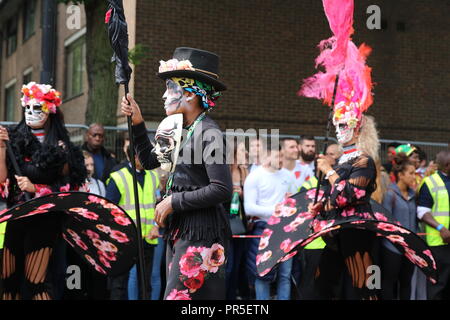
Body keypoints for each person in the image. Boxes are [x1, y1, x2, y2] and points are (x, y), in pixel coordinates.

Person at [121, 47, 232, 300]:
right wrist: (138, 123)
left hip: (201, 232)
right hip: (181, 229)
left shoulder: (209, 132)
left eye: (170, 88)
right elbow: (149, 161)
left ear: (191, 95)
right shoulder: (180, 130)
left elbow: (222, 189)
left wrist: (173, 201)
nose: (163, 95)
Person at [0, 82, 87, 300]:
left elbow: (69, 189)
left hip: (45, 220)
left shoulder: (62, 147)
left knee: (36, 281)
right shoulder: (13, 141)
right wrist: (2, 149)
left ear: (50, 110)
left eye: (37, 108)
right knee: (8, 279)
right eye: (27, 107)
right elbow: (2, 180)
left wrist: (36, 188)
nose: (30, 112)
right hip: (18, 215)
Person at [106, 146, 160, 300]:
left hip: (148, 238)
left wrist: (156, 226)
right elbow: (109, 212)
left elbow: (158, 205)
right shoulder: (118, 177)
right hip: (126, 240)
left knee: (146, 284)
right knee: (119, 284)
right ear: (134, 156)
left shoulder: (153, 176)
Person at [244, 144, 297, 300]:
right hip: (263, 228)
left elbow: (294, 201)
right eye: (277, 156)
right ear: (266, 157)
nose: (281, 159)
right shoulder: (254, 176)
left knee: (285, 274)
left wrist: (290, 202)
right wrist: (277, 209)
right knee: (263, 273)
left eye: (282, 155)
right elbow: (249, 208)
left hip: (286, 227)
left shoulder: (288, 175)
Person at [296, 143, 342, 299]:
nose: (328, 158)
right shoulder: (308, 185)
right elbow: (302, 216)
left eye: (332, 155)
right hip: (314, 244)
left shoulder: (338, 186)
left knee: (331, 288)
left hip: (335, 243)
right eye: (327, 154)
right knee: (311, 286)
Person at [380, 154, 418, 300]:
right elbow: (386, 222)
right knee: (389, 283)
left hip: (410, 249)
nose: (414, 177)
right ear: (401, 175)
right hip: (392, 248)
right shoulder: (390, 194)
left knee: (406, 283)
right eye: (411, 173)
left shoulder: (413, 195)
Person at [417, 150, 450, 300]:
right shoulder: (430, 182)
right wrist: (441, 229)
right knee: (438, 284)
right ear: (447, 165)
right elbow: (422, 212)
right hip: (439, 242)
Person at [226, 141, 250, 300]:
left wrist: (243, 194)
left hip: (242, 226)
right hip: (227, 225)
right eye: (242, 150)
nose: (246, 153)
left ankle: (235, 297)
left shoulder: (245, 172)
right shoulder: (225, 172)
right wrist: (231, 193)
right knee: (228, 266)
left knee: (239, 266)